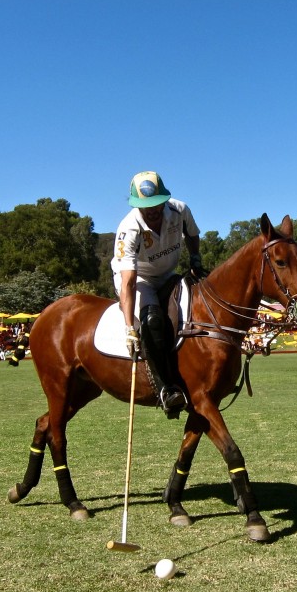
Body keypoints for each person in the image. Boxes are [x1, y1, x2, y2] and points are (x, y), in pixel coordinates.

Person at [112, 171, 208, 416]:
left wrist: (195, 259)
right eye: (145, 207)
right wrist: (129, 328)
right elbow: (129, 281)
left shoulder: (180, 210)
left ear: (164, 200)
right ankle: (166, 389)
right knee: (153, 320)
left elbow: (193, 234)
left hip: (168, 273)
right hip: (139, 278)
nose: (151, 211)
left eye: (155, 204)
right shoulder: (129, 229)